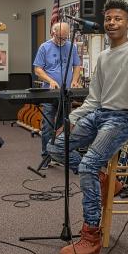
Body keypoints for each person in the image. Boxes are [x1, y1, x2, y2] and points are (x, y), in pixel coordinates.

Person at [47, 0, 128, 254]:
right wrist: (72, 119)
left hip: (125, 118)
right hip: (100, 113)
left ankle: (91, 235)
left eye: (118, 19)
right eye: (108, 18)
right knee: (54, 145)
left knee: (86, 165)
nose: (111, 22)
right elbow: (94, 98)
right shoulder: (103, 56)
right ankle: (105, 180)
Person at [33, 22, 82, 167]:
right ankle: (46, 157)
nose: (63, 41)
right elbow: (38, 69)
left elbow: (77, 65)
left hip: (66, 93)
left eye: (65, 38)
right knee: (48, 126)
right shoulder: (44, 47)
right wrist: (50, 80)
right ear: (52, 33)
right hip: (49, 93)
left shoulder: (71, 46)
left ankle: (59, 155)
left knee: (64, 126)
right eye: (60, 38)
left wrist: (74, 80)